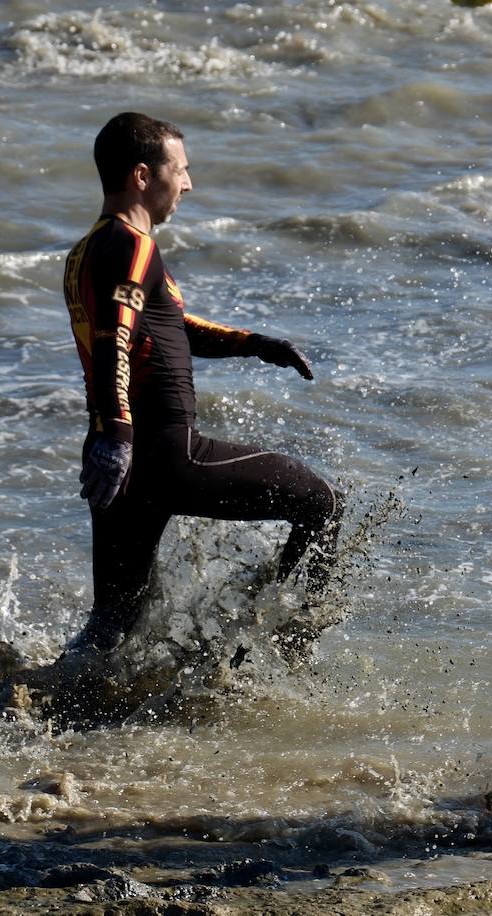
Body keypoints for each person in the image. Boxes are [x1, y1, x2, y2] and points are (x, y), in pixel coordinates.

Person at [61, 112, 344, 657]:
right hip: (167, 453)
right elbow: (113, 340)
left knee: (112, 626)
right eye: (181, 170)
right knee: (322, 502)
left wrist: (253, 344)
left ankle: (51, 704)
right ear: (143, 175)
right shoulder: (133, 246)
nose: (188, 183)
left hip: (118, 464)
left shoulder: (89, 249)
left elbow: (167, 327)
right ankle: (280, 651)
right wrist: (120, 433)